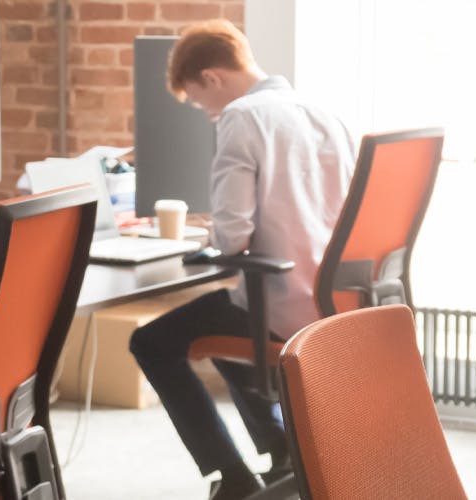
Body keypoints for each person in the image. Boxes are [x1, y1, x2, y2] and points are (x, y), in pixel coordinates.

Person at [125, 19, 355, 500]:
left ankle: (229, 477)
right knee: (224, 328)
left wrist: (207, 234)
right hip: (340, 301)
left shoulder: (242, 117)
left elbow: (232, 237)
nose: (208, 113)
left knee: (150, 342)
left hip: (284, 304)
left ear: (211, 77)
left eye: (200, 101)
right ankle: (280, 451)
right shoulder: (323, 112)